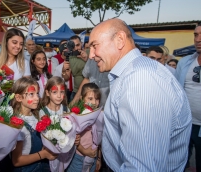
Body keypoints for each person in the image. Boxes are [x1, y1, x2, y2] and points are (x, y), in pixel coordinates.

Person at [89, 18, 192, 171]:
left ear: (120, 40)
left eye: (94, 46)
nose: (91, 54)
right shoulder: (135, 73)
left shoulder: (140, 80)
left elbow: (142, 167)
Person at [11, 77, 57, 172]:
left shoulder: (36, 116)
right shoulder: (18, 124)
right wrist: (43, 154)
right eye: (31, 94)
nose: (37, 98)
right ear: (19, 97)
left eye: (37, 93)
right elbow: (16, 161)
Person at [176, 22, 201, 171]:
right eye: (196, 35)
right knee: (180, 160)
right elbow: (177, 93)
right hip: (184, 123)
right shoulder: (185, 62)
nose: (198, 39)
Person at [67, 83, 102, 172]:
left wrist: (98, 158)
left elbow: (99, 139)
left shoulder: (99, 115)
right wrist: (85, 151)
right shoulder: (78, 115)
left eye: (97, 99)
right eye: (90, 99)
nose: (94, 102)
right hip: (78, 158)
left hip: (93, 158)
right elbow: (74, 138)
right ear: (82, 99)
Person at [68, 35, 88, 101]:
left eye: (78, 45)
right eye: (73, 46)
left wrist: (87, 59)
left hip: (90, 91)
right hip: (76, 92)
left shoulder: (89, 52)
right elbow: (74, 71)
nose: (76, 48)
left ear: (81, 44)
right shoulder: (70, 57)